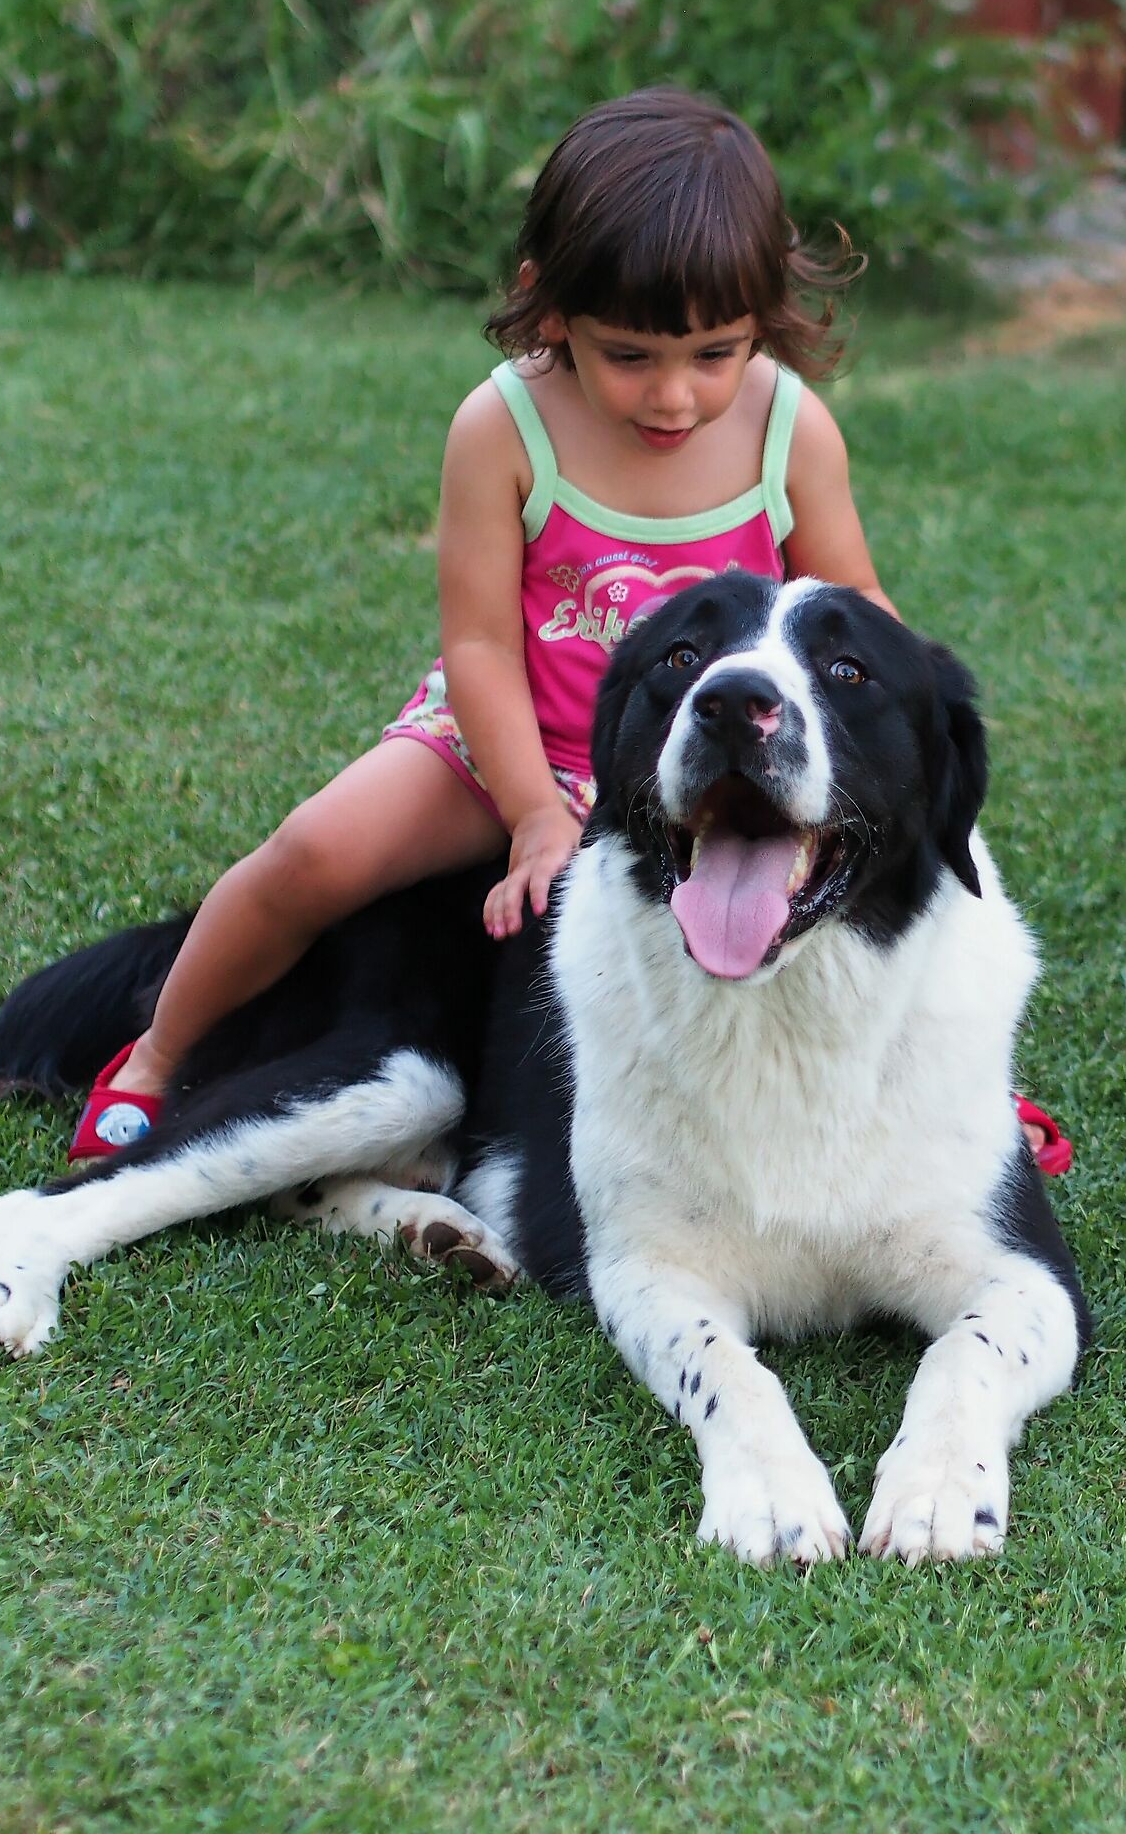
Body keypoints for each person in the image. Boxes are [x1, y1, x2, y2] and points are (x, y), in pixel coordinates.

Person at [70, 87, 1071, 1175]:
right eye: (630, 355)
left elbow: (854, 593)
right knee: (315, 852)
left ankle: (969, 1091)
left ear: (764, 317)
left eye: (714, 352)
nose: (677, 396)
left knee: (900, 866)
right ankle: (159, 1057)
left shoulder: (787, 424)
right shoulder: (504, 424)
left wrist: (906, 718)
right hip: (506, 739)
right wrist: (536, 817)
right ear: (550, 309)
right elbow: (483, 649)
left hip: (696, 749)